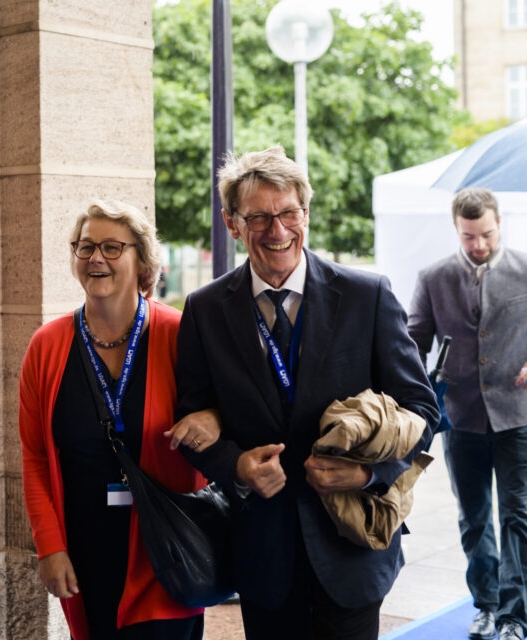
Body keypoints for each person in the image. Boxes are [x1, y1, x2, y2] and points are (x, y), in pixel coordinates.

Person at [174, 146, 439, 639]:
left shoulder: (368, 295)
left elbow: (424, 411)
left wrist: (366, 474)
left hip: (353, 548)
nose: (277, 231)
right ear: (233, 224)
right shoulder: (206, 309)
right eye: (258, 217)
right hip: (261, 551)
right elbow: (192, 414)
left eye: (288, 213)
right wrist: (235, 465)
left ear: (306, 214)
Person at [19, 199, 220, 639]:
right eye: (85, 246)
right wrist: (49, 547)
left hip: (166, 548)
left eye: (113, 247)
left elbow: (223, 411)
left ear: (143, 260)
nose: (95, 258)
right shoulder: (46, 346)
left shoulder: (179, 335)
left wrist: (213, 420)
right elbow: (34, 459)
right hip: (84, 551)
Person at [408, 187, 527, 640]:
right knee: (474, 517)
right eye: (469, 236)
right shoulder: (433, 277)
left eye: (486, 234)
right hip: (460, 417)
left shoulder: (525, 269)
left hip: (517, 416)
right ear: (456, 229)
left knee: (517, 516)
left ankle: (516, 616)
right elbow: (413, 342)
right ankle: (487, 605)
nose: (479, 245)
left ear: (500, 225)